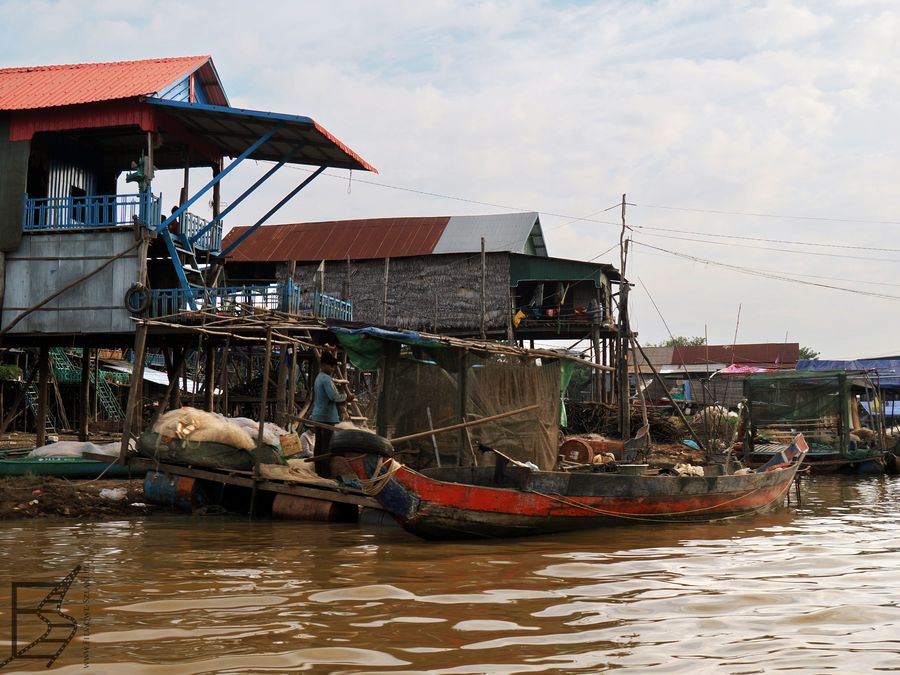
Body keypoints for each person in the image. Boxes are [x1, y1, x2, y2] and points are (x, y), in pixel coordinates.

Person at [310, 352, 354, 478]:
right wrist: (347, 397)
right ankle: (325, 473)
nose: (333, 369)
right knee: (326, 447)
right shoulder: (326, 379)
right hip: (326, 418)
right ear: (324, 365)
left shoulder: (319, 377)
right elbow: (334, 397)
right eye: (331, 367)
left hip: (318, 416)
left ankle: (318, 470)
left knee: (319, 446)